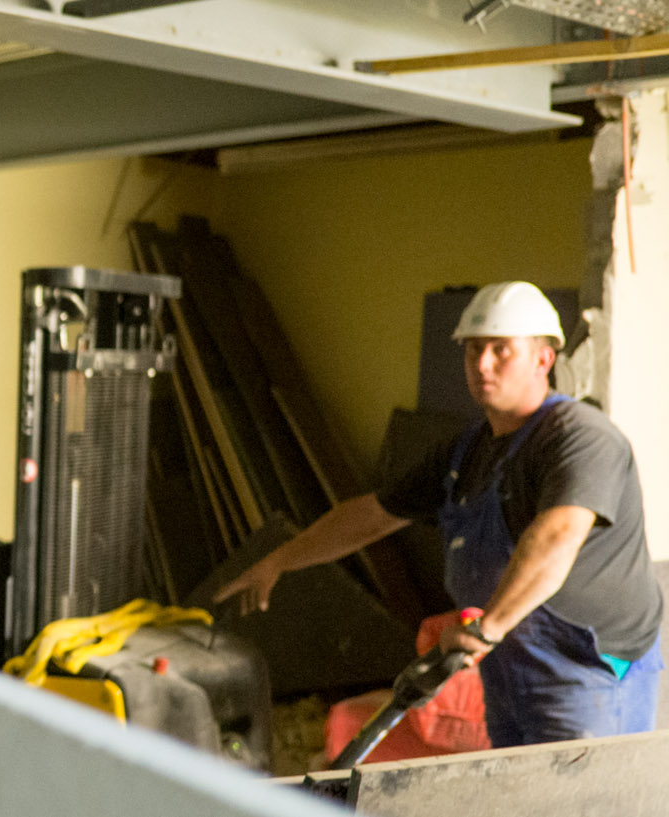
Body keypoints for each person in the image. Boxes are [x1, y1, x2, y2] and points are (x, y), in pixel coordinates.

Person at [216, 282, 662, 748]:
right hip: (506, 665)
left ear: (542, 359)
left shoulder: (581, 438)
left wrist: (486, 628)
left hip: (587, 675)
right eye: (472, 351)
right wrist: (278, 561)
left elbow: (557, 536)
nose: (482, 365)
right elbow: (371, 515)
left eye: (500, 350)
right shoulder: (468, 449)